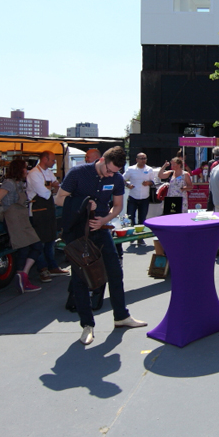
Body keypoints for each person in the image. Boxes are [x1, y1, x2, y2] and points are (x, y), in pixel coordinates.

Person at [56, 146, 146, 345]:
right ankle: (87, 326)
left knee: (115, 272)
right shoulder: (78, 173)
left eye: (115, 172)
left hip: (102, 229)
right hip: (79, 233)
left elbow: (118, 206)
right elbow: (59, 199)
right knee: (80, 279)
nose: (110, 175)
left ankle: (121, 316)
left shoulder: (116, 178)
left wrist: (105, 218)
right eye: (109, 170)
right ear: (102, 160)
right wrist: (85, 203)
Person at [0, 158, 45, 291]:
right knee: (23, 248)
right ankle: (22, 277)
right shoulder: (9, 183)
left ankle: (23, 274)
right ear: (19, 170)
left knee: (37, 246)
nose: (27, 170)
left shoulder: (19, 183)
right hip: (13, 219)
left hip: (22, 218)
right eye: (25, 168)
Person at [25, 151, 67, 279]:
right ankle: (42, 269)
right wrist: (52, 187)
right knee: (40, 242)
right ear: (44, 159)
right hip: (37, 212)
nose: (54, 162)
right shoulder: (34, 174)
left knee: (50, 240)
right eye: (52, 160)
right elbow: (44, 193)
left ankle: (52, 266)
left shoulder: (48, 172)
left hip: (48, 209)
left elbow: (57, 187)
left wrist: (52, 187)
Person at [123, 152, 156, 229]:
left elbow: (153, 182)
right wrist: (128, 185)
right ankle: (131, 236)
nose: (143, 160)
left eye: (145, 158)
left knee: (142, 219)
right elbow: (122, 179)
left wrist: (148, 183)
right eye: (141, 158)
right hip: (133, 197)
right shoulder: (131, 169)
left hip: (144, 198)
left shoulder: (149, 169)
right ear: (137, 159)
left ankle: (140, 238)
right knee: (130, 217)